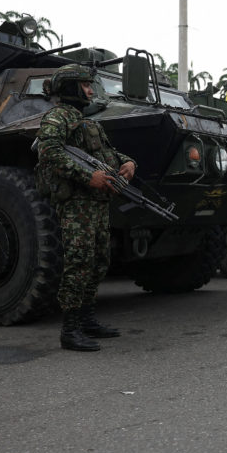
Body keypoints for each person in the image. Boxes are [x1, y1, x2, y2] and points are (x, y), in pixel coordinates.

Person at [36, 64, 137, 351]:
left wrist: (128, 163)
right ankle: (70, 329)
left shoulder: (86, 121)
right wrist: (87, 177)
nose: (91, 90)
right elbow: (50, 154)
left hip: (97, 203)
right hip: (76, 203)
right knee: (79, 261)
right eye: (85, 85)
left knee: (99, 260)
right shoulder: (57, 118)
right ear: (70, 87)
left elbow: (106, 154)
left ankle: (87, 319)